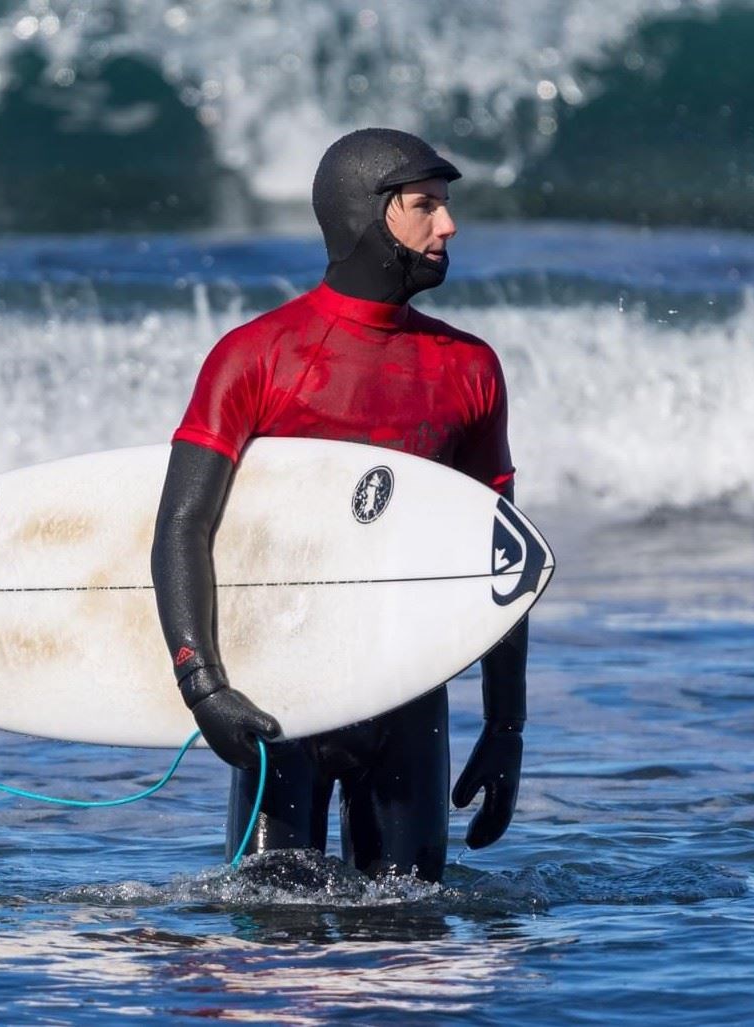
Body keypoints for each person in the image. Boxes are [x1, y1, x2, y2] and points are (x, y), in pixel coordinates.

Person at [150, 128, 528, 883]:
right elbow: (182, 527)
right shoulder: (257, 356)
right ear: (368, 213)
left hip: (410, 694)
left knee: (410, 943)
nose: (448, 226)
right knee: (266, 945)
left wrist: (505, 722)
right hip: (277, 694)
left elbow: (500, 555)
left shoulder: (470, 368)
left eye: (446, 206)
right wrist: (203, 687)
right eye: (425, 206)